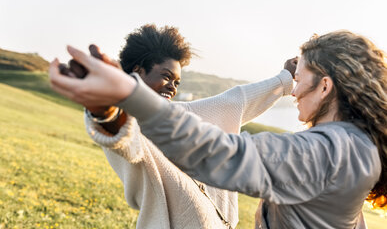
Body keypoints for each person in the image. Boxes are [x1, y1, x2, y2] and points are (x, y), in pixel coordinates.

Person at [49, 30, 386, 228]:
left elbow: (224, 152)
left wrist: (128, 93)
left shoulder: (325, 152)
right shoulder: (357, 147)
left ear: (325, 87)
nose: (295, 91)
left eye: (301, 81)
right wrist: (111, 109)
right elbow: (129, 138)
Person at [76, 24, 296, 228]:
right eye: (166, 76)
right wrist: (104, 108)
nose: (172, 87)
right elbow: (122, 135)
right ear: (138, 71)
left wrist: (284, 77)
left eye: (177, 82)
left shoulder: (176, 114)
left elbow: (234, 102)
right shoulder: (129, 121)